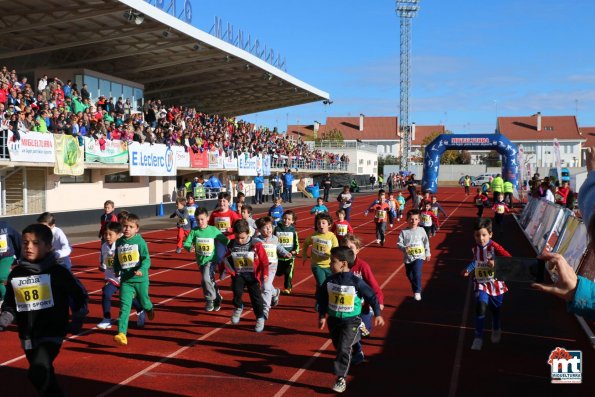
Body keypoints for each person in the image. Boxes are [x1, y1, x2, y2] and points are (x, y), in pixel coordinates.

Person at [0, 224, 88, 397]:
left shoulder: (58, 272)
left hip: (52, 332)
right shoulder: (17, 274)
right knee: (43, 374)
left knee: (37, 372)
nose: (28, 247)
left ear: (48, 246)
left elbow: (79, 295)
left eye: (35, 243)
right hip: (27, 334)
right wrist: (4, 319)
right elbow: (11, 303)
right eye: (25, 243)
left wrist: (77, 318)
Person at [316, 246, 384, 393]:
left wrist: (377, 313)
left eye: (332, 261)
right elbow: (322, 298)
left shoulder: (356, 282)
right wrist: (322, 315)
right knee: (338, 345)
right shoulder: (329, 281)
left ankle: (341, 378)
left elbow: (371, 296)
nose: (329, 264)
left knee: (343, 348)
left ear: (344, 263)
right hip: (333, 320)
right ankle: (359, 330)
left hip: (351, 319)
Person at [461, 218, 511, 351]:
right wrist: (468, 269)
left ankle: (496, 328)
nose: (480, 238)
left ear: (490, 234)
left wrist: (496, 263)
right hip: (480, 282)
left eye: (484, 235)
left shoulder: (495, 247)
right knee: (480, 306)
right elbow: (475, 261)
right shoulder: (475, 248)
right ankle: (478, 337)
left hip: (496, 284)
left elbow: (509, 259)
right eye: (477, 235)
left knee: (495, 311)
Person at [113, 214, 155, 346]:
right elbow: (117, 258)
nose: (127, 229)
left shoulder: (140, 242)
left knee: (144, 302)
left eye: (130, 227)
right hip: (126, 281)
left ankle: (149, 309)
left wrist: (142, 269)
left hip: (140, 280)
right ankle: (122, 333)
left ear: (137, 229)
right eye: (125, 226)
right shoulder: (119, 242)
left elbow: (146, 259)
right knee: (124, 307)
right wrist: (116, 269)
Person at [220, 219, 269, 332]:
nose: (239, 240)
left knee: (256, 298)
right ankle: (238, 307)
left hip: (253, 276)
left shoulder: (256, 244)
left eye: (242, 238)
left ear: (248, 233)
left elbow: (264, 261)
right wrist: (223, 270)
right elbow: (226, 258)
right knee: (236, 291)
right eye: (237, 237)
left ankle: (260, 317)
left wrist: (265, 273)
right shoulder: (232, 244)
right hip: (239, 274)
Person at [340, 234, 384, 352]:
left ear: (357, 250)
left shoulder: (363, 266)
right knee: (350, 331)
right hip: (347, 307)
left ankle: (361, 327)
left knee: (364, 331)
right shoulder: (339, 265)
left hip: (363, 306)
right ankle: (357, 352)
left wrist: (379, 301)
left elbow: (373, 286)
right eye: (345, 247)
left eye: (351, 248)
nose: (348, 250)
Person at [97, 221, 144, 329]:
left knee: (129, 299)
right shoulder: (104, 246)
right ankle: (106, 318)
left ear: (118, 235)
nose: (107, 237)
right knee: (106, 293)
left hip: (125, 277)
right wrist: (102, 265)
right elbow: (102, 259)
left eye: (110, 234)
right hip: (112, 277)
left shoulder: (123, 245)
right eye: (105, 234)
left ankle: (140, 310)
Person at [184, 207, 229, 312]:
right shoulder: (194, 231)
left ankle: (210, 299)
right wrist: (189, 247)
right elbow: (186, 243)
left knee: (205, 279)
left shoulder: (213, 230)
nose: (200, 222)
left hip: (211, 260)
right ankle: (217, 297)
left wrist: (235, 245)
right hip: (201, 261)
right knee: (208, 280)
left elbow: (225, 240)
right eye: (197, 220)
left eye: (202, 219)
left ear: (207, 218)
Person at [254, 217, 291, 320]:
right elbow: (251, 250)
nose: (269, 230)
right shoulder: (256, 240)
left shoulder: (274, 239)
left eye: (270, 227)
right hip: (260, 268)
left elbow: (279, 247)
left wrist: (285, 253)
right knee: (263, 286)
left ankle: (265, 309)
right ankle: (275, 292)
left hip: (271, 267)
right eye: (265, 228)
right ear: (260, 230)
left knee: (265, 287)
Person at [397, 209, 431, 301]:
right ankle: (416, 288)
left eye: (416, 219)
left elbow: (426, 242)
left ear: (419, 220)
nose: (413, 221)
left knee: (417, 272)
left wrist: (427, 253)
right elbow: (399, 244)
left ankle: (417, 291)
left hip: (419, 256)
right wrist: (404, 248)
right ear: (407, 220)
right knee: (409, 274)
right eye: (411, 219)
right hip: (408, 258)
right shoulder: (404, 232)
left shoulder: (421, 230)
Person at [303, 213, 339, 296]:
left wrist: (329, 253)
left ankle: (319, 293)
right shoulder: (314, 236)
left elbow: (336, 251)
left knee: (329, 284)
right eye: (318, 223)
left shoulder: (332, 237)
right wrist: (304, 254)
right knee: (322, 284)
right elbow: (305, 243)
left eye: (323, 223)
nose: (320, 225)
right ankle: (320, 302)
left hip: (329, 265)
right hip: (317, 265)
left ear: (329, 224)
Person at [275, 210, 300, 295]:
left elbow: (296, 243)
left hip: (290, 257)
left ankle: (287, 287)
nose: (286, 221)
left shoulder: (293, 231)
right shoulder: (277, 228)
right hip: (278, 256)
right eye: (285, 218)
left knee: (288, 273)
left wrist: (295, 251)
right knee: (278, 273)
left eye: (289, 219)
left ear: (292, 221)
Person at [0, 221, 21, 306]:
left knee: (1, 276)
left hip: (7, 257)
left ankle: (7, 301)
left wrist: (20, 258)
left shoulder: (5, 226)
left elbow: (18, 239)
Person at [99, 200, 118, 265]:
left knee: (112, 248)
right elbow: (102, 225)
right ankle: (103, 263)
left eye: (108, 208)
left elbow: (115, 226)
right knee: (103, 248)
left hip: (111, 235)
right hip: (104, 235)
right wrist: (100, 232)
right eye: (105, 207)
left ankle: (115, 261)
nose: (106, 209)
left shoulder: (113, 217)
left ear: (113, 208)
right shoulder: (102, 216)